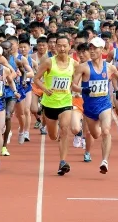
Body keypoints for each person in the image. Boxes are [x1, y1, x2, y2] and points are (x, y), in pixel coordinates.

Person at [73, 37, 118, 173]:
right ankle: (99, 137)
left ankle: (104, 161)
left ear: (102, 50)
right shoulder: (83, 67)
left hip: (104, 104)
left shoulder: (109, 67)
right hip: (89, 107)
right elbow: (73, 85)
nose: (92, 50)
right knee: (95, 134)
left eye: (95, 48)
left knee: (106, 131)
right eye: (91, 48)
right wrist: (83, 90)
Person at [33, 35, 79, 176]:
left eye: (65, 45)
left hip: (65, 102)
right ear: (55, 47)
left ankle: (63, 161)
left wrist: (79, 90)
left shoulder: (74, 64)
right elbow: (36, 79)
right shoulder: (48, 62)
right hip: (49, 103)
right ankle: (51, 130)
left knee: (65, 129)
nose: (62, 48)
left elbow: (75, 82)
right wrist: (44, 89)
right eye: (59, 45)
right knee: (53, 136)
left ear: (69, 46)